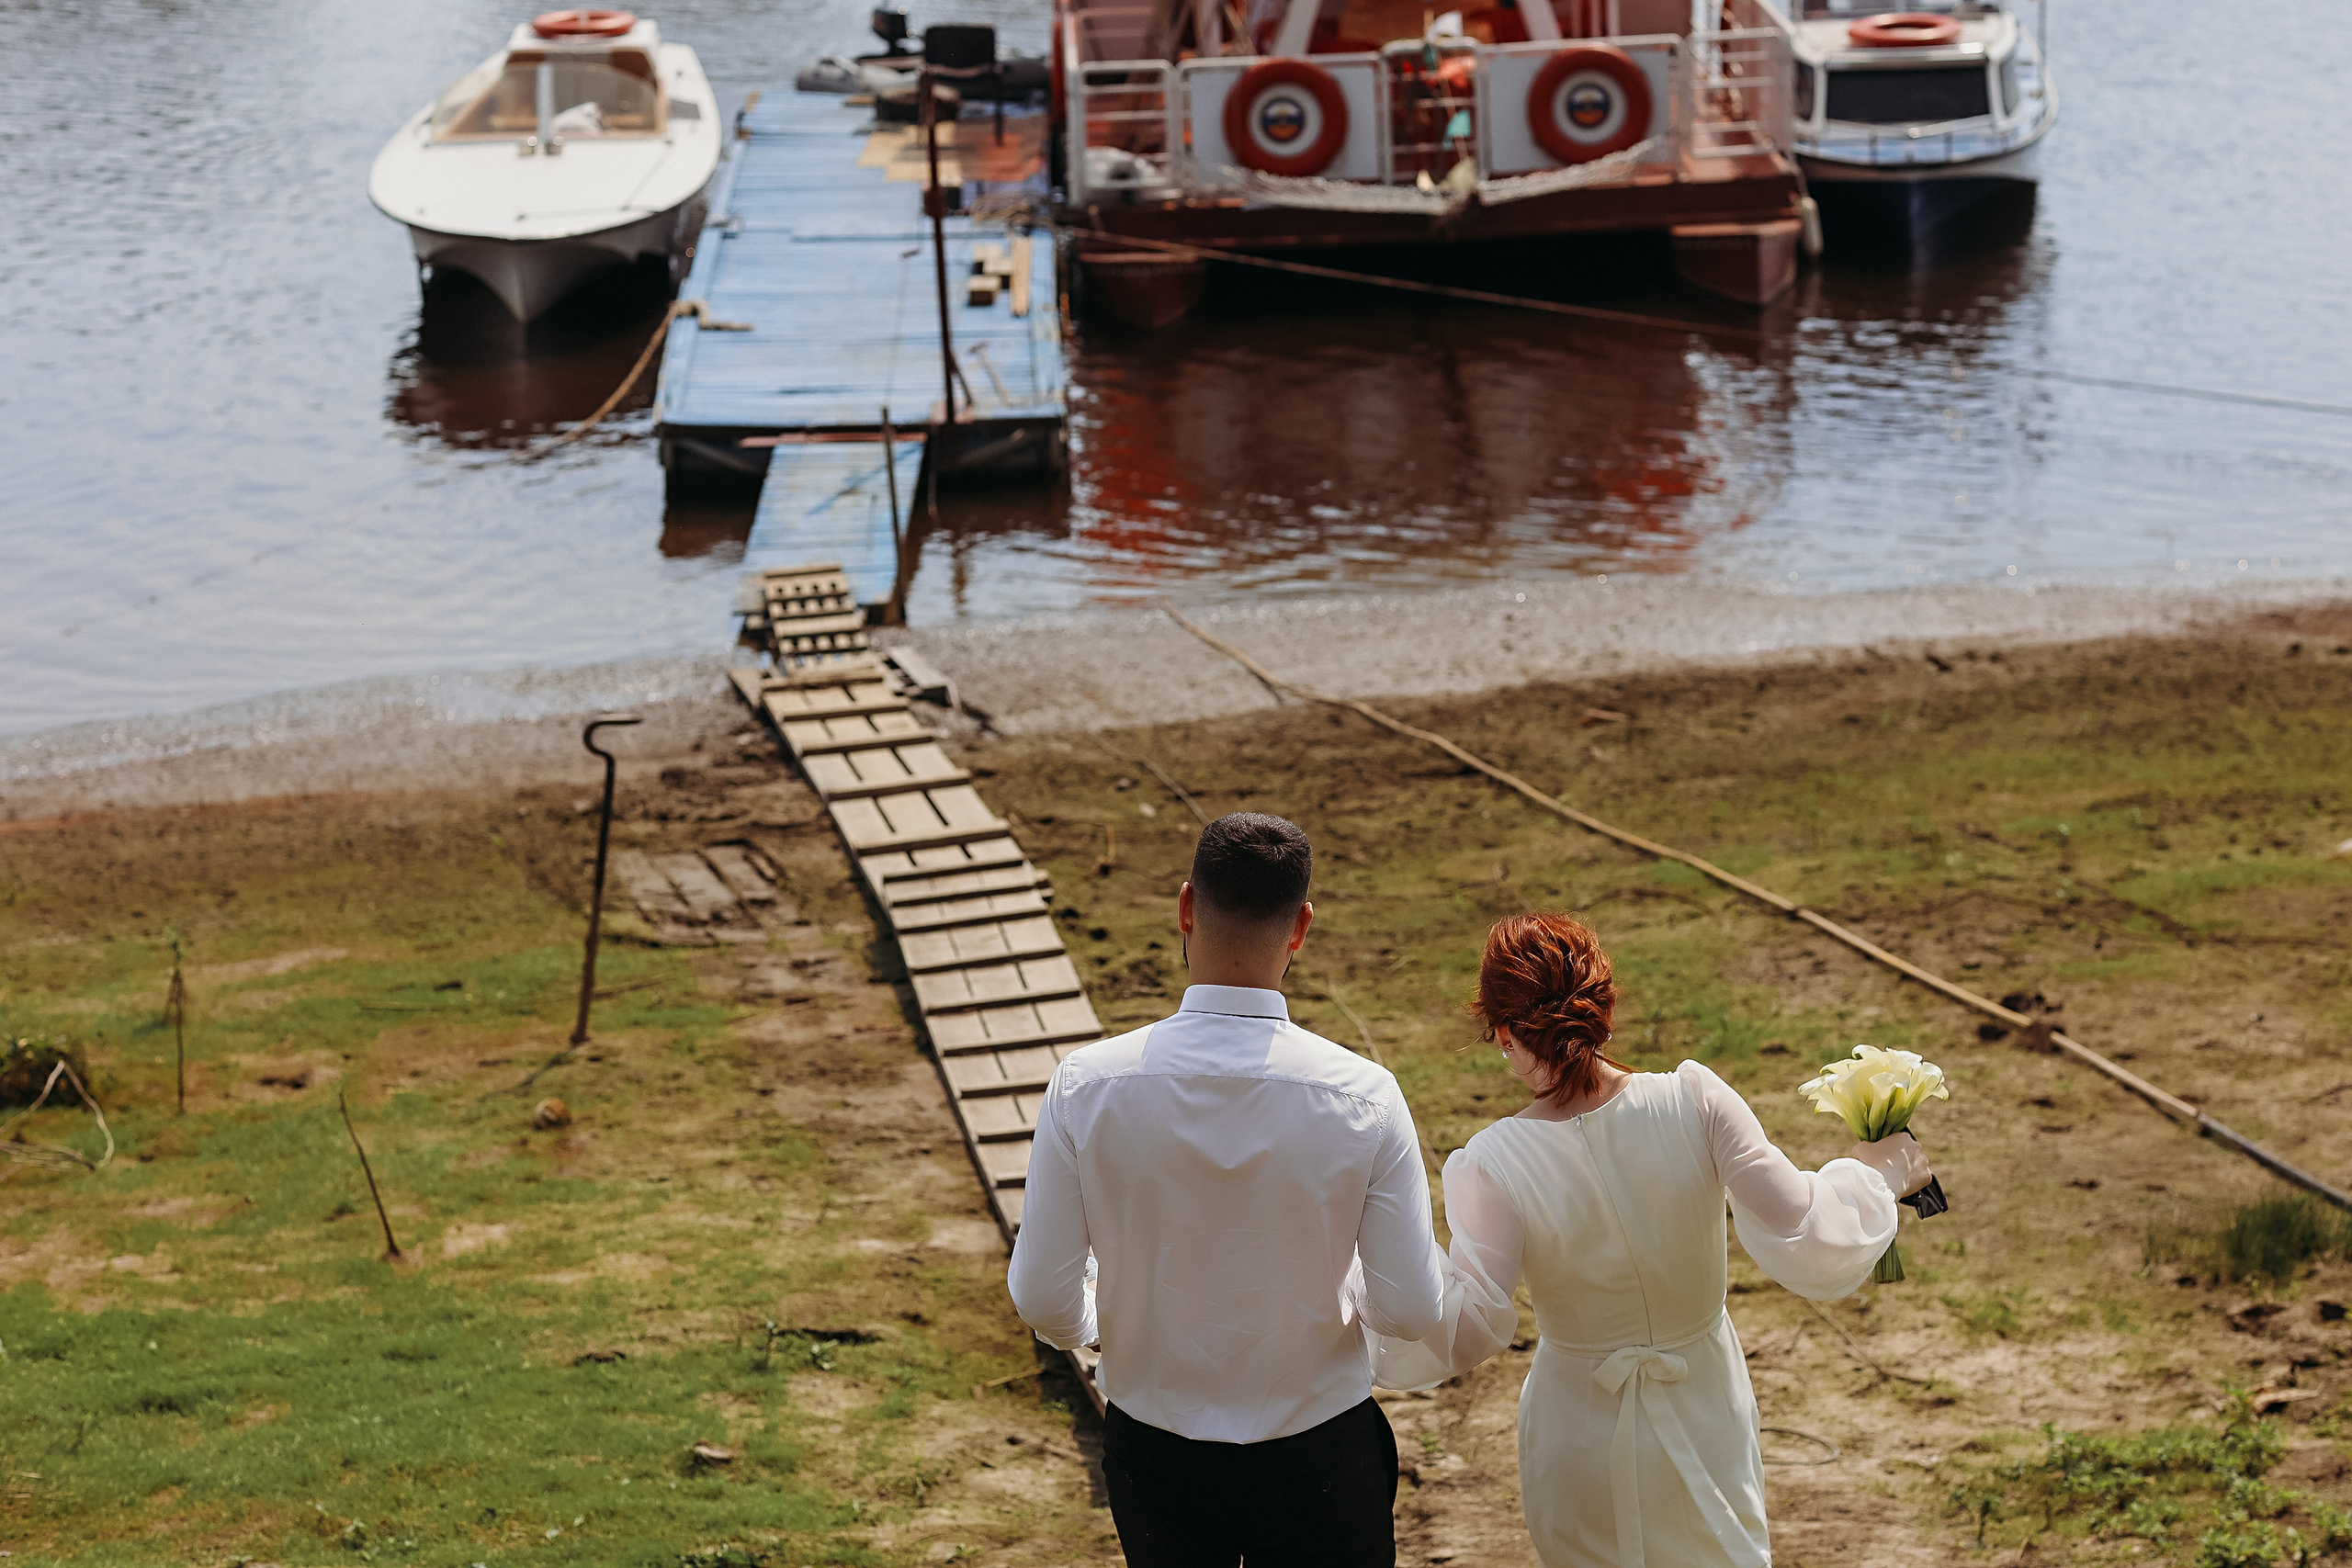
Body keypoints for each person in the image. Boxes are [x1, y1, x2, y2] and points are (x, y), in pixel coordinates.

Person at [1371, 913, 1933, 1568]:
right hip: (1704, 1399)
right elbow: (1805, 1226)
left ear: (1502, 1033)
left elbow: (1463, 1323)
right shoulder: (1696, 1101)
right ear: (1604, 1011)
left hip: (1577, 1422)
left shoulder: (1494, 1161)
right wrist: (1882, 1171)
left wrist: (1360, 1277)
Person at [1008, 812, 1445, 1568]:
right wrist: (1337, 1302)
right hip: (1321, 1455)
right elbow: (1410, 1307)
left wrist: (1110, 1319)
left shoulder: (1086, 1085)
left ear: (1185, 907)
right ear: (1301, 925)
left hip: (1158, 1454)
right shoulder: (1367, 1095)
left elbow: (1044, 1297)